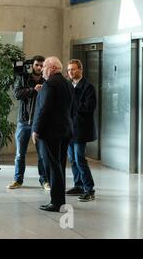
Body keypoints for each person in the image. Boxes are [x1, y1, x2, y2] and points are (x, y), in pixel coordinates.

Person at [31, 57, 74, 212]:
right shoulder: (67, 83)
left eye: (44, 67)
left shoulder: (49, 84)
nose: (42, 70)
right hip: (65, 131)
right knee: (59, 166)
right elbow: (72, 108)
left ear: (52, 68)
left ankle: (56, 202)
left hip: (50, 133)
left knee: (52, 167)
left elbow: (44, 110)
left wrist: (36, 130)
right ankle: (59, 200)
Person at [7, 55, 49, 190]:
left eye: (42, 65)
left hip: (40, 123)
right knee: (20, 154)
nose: (39, 67)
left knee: (42, 154)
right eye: (37, 65)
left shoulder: (47, 80)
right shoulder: (24, 78)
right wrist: (33, 90)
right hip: (23, 121)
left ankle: (45, 180)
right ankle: (17, 180)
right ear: (33, 66)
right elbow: (17, 94)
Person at [66, 59, 96, 202]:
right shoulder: (69, 86)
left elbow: (88, 108)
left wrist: (73, 103)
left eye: (73, 69)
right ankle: (78, 185)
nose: (70, 72)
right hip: (69, 129)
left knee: (80, 159)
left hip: (81, 130)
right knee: (72, 160)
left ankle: (89, 189)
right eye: (69, 70)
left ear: (80, 70)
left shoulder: (88, 87)